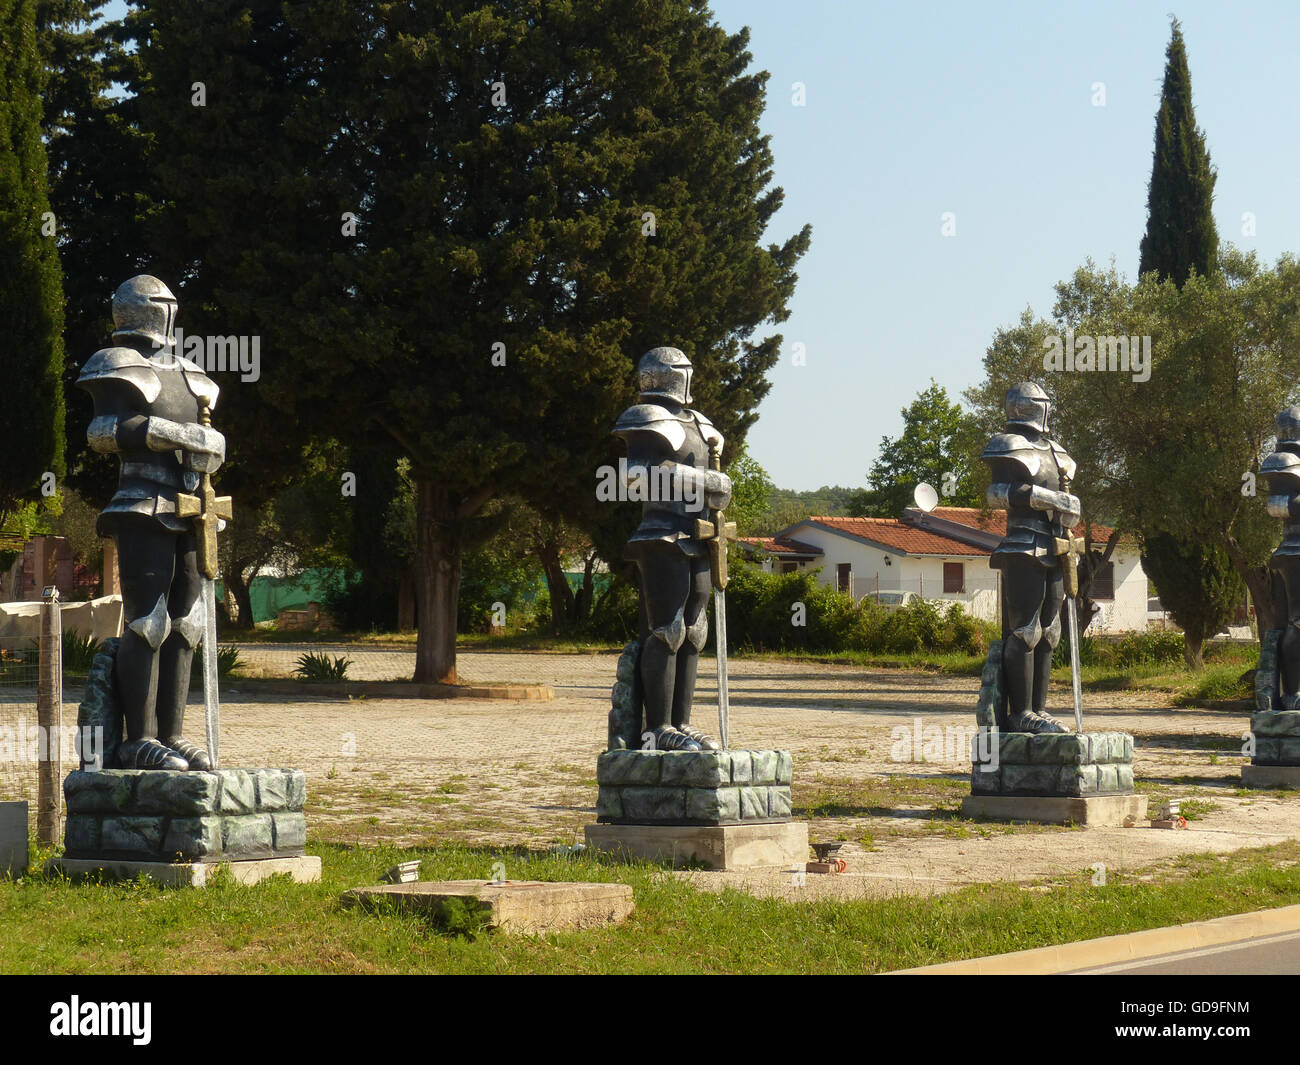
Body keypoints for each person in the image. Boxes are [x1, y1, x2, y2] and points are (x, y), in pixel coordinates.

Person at [77, 276, 225, 770]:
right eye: (165, 305)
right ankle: (138, 738)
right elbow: (103, 433)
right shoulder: (116, 364)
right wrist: (171, 432)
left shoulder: (191, 374)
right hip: (141, 502)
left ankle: (172, 734)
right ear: (146, 310)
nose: (171, 313)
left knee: (189, 621)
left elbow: (204, 439)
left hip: (191, 504)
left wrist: (212, 448)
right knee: (148, 620)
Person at [613, 347, 730, 752]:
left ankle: (681, 723)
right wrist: (704, 480)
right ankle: (657, 728)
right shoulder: (647, 418)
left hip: (699, 536)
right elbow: (633, 476)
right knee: (667, 628)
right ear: (670, 376)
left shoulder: (701, 424)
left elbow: (713, 485)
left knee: (695, 631)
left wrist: (716, 488)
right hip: (661, 535)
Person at [982, 382, 1079, 734]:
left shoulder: (1058, 453)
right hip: (1022, 546)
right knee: (1025, 630)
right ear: (1035, 407)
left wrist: (1069, 510)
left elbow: (1064, 499)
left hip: (1056, 546)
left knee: (1050, 631)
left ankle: (1039, 709)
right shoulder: (1009, 446)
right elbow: (997, 495)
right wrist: (1050, 500)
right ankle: (1020, 712)